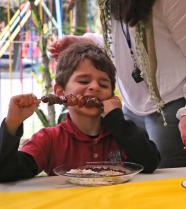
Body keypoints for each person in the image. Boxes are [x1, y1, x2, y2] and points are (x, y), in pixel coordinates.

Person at [48, 0, 186, 168]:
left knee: (166, 189)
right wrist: (87, 42)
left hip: (177, 106)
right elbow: (127, 45)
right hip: (131, 108)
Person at [0, 42, 160, 182]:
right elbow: (6, 173)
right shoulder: (49, 140)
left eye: (103, 84)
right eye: (84, 81)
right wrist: (12, 124)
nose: (95, 87)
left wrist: (117, 121)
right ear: (60, 92)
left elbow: (151, 162)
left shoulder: (124, 134)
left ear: (111, 96)